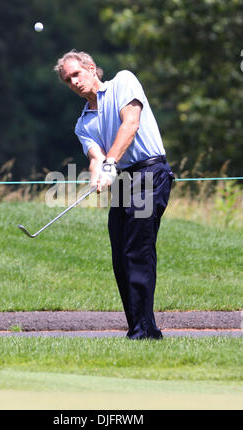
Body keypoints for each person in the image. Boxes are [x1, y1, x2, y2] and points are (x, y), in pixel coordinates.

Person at [54, 50, 174, 340]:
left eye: (76, 74)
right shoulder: (83, 123)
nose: (73, 82)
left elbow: (130, 124)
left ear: (92, 68)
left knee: (137, 250)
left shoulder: (123, 82)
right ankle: (139, 327)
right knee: (121, 254)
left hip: (147, 174)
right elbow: (95, 155)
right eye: (68, 80)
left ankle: (145, 330)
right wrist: (98, 173)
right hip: (122, 181)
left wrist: (110, 163)